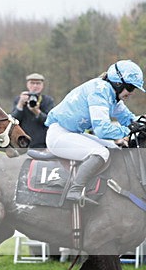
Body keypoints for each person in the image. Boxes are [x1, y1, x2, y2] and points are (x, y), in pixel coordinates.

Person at [45, 60, 144, 204]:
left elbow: (129, 119)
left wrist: (140, 124)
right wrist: (127, 130)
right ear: (118, 83)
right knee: (101, 153)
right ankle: (75, 190)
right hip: (59, 135)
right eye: (130, 87)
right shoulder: (99, 90)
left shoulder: (112, 96)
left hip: (72, 133)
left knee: (115, 148)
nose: (131, 92)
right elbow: (102, 129)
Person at [11, 73, 54, 149]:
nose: (35, 86)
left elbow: (50, 122)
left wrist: (37, 112)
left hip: (41, 143)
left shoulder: (48, 100)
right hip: (23, 142)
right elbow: (13, 121)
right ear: (27, 84)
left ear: (42, 85)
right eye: (32, 83)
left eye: (38, 83)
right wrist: (20, 105)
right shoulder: (19, 99)